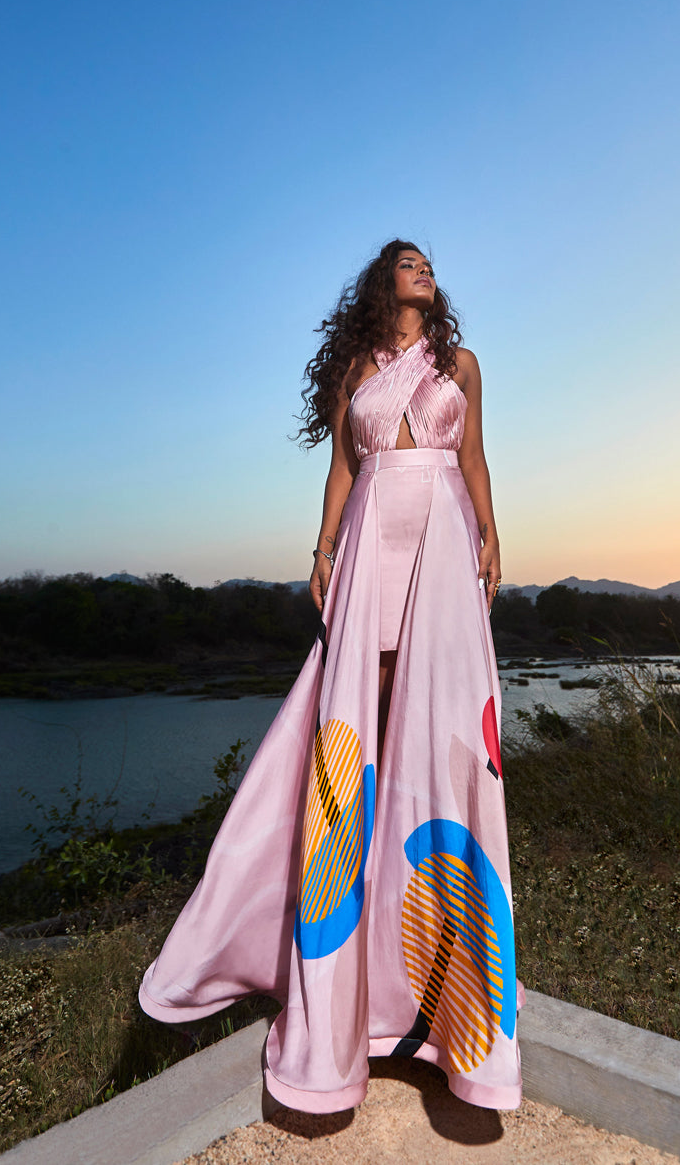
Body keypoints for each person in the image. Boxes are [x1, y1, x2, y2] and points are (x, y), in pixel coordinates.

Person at [139, 240, 522, 1113]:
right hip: (371, 540)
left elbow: (474, 460)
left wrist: (492, 533)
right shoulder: (358, 365)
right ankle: (343, 957)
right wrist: (323, 550)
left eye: (431, 263)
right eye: (410, 261)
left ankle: (440, 973)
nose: (427, 270)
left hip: (443, 531)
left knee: (441, 733)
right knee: (360, 729)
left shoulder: (460, 362)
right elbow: (345, 467)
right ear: (382, 281)